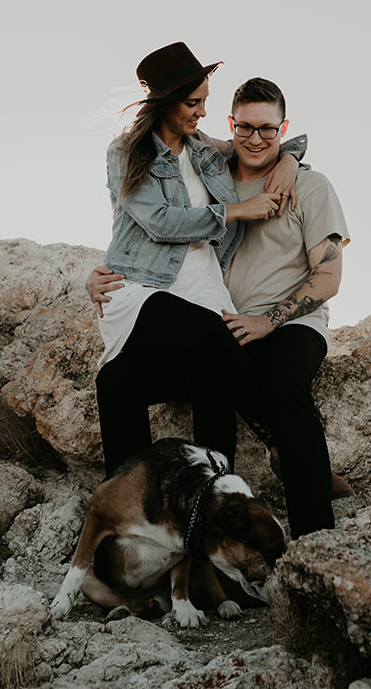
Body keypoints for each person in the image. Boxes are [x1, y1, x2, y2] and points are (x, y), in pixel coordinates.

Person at [91, 76, 349, 538]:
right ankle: (137, 526)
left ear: (282, 128)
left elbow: (329, 277)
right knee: (118, 380)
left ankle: (316, 538)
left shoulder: (310, 186)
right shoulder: (213, 175)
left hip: (289, 325)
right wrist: (101, 273)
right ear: (231, 127)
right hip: (219, 326)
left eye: (268, 130)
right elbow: (150, 218)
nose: (256, 139)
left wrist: (267, 321)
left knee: (283, 385)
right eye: (245, 128)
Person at [93, 43, 302, 478]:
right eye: (194, 103)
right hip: (140, 286)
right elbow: (160, 223)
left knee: (124, 383)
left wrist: (289, 162)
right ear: (165, 102)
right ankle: (280, 439)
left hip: (202, 286)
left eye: (205, 101)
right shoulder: (127, 152)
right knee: (211, 335)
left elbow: (263, 142)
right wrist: (237, 210)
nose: (202, 112)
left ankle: (211, 496)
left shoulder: (206, 150)